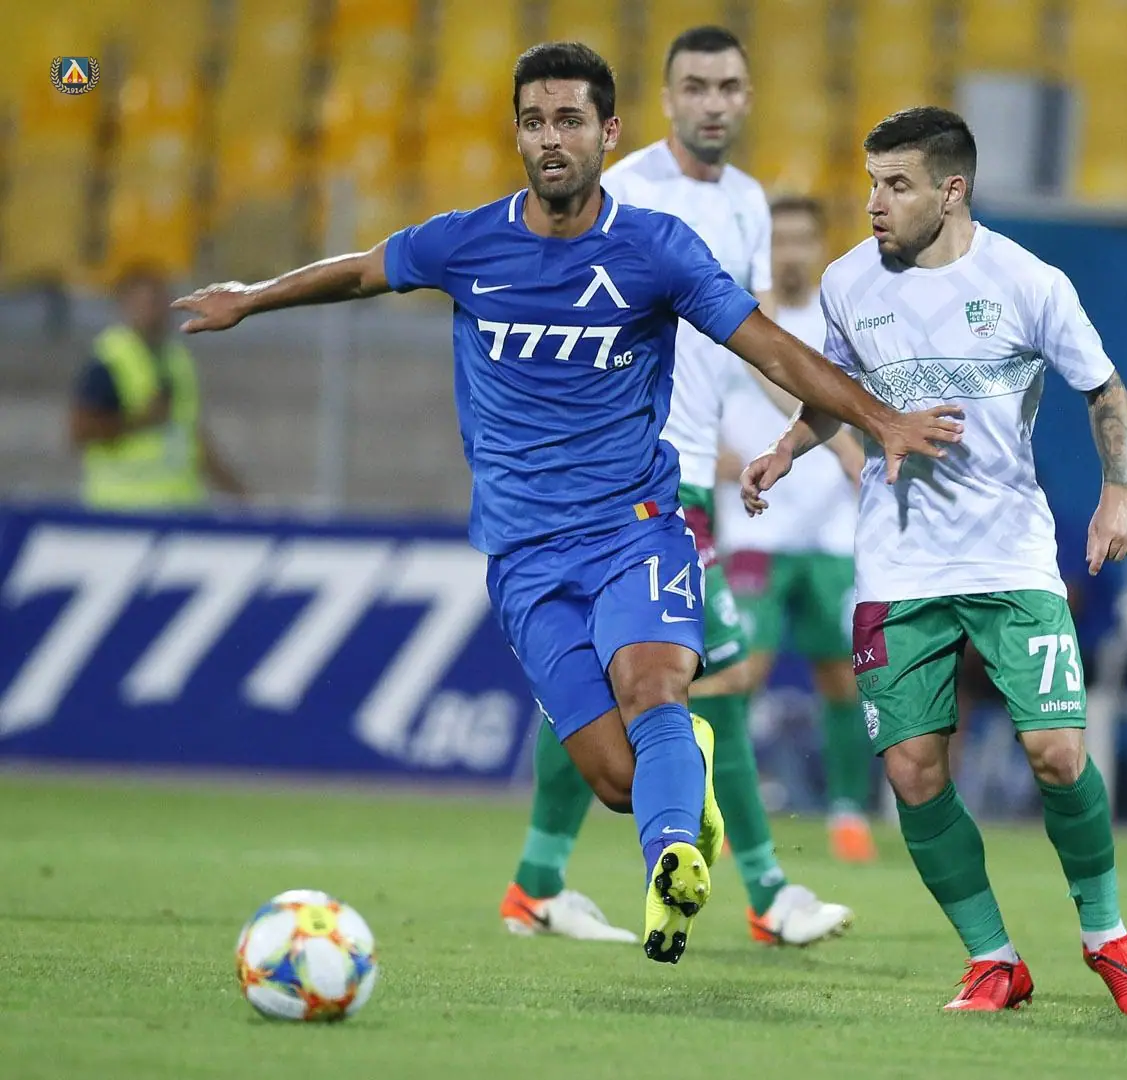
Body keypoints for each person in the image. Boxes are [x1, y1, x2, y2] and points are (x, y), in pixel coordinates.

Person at [171, 43, 960, 965]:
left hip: (636, 530)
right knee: (617, 780)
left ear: (607, 132)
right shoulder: (467, 242)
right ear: (518, 134)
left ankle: (674, 865)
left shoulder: (654, 247)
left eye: (570, 121)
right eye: (535, 122)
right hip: (524, 557)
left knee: (655, 685)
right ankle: (676, 798)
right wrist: (251, 297)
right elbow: (358, 271)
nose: (552, 139)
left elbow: (772, 350)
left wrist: (877, 419)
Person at [741, 106, 1127, 1015]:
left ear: (951, 190)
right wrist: (788, 447)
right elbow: (836, 394)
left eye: (895, 185)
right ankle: (993, 960)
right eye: (870, 183)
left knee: (1057, 753)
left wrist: (1118, 493)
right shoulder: (848, 282)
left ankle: (1106, 936)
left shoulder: (1027, 281)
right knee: (912, 773)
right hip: (897, 567)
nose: (874, 202)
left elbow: (1102, 388)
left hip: (1010, 558)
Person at [500, 28, 856, 948]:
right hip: (631, 483)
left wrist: (827, 436)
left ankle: (536, 882)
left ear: (746, 98)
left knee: (616, 685)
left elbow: (745, 336)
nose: (712, 102)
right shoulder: (619, 192)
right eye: (694, 86)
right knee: (718, 675)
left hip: (689, 477)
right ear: (663, 101)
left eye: (727, 86)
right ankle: (767, 892)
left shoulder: (745, 203)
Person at [716, 194, 875, 862]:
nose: (789, 252)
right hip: (753, 530)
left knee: (842, 676)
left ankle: (848, 811)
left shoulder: (843, 326)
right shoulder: (732, 324)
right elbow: (697, 412)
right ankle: (723, 812)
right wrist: (719, 462)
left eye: (800, 239)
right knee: (738, 674)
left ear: (818, 246)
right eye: (777, 239)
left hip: (833, 534)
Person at [69, 264, 246, 508]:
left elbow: (190, 434)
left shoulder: (178, 361)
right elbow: (80, 431)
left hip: (180, 506)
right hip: (122, 507)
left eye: (162, 302)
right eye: (147, 303)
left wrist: (238, 493)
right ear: (125, 305)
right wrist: (141, 421)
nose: (156, 311)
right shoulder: (110, 358)